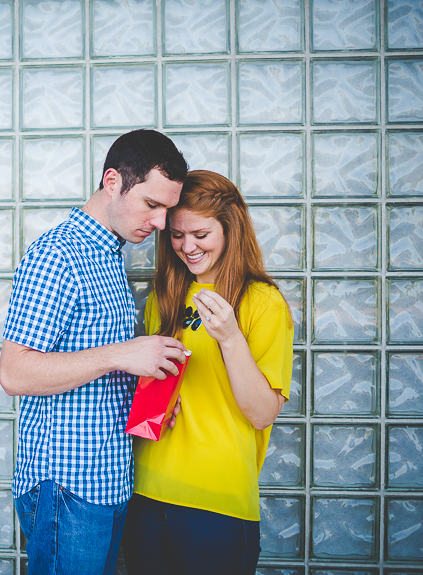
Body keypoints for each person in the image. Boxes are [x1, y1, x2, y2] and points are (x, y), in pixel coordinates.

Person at [0, 129, 189, 575]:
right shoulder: (58, 255)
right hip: (67, 489)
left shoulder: (107, 255)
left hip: (105, 482)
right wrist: (119, 354)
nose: (161, 223)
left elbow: (92, 367)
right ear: (112, 181)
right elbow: (15, 373)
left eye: (167, 209)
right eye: (151, 204)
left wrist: (147, 403)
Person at [122, 170, 294, 575]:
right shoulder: (163, 298)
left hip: (216, 502)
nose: (187, 246)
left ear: (230, 228)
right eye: (177, 235)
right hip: (145, 492)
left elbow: (262, 413)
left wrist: (231, 339)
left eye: (200, 234)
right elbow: (151, 389)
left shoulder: (263, 303)